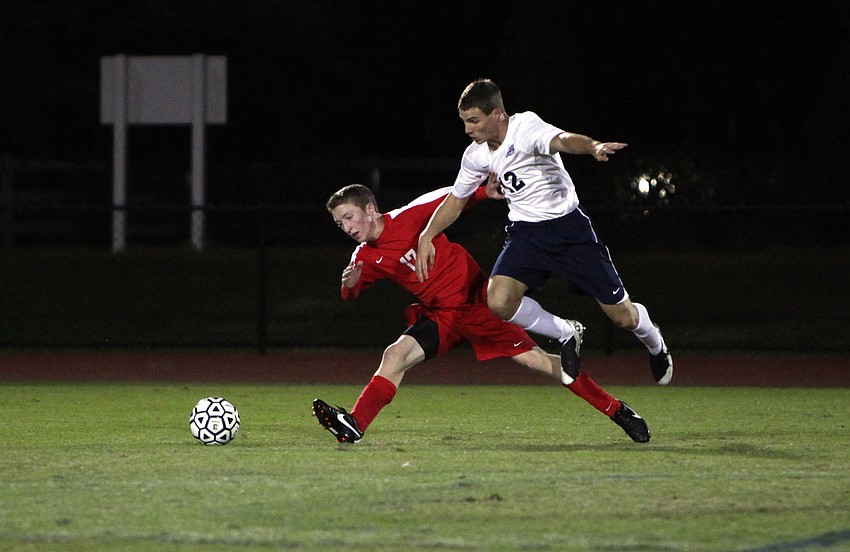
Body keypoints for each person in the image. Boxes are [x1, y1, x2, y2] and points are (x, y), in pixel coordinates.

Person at [313, 183, 651, 444]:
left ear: (369, 209)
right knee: (396, 355)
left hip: (478, 304)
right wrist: (351, 284)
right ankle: (354, 425)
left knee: (540, 363)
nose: (345, 226)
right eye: (338, 222)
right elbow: (350, 292)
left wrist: (483, 191)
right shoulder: (363, 256)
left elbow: (451, 198)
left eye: (348, 216)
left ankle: (617, 410)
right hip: (441, 316)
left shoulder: (409, 217)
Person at [415, 78, 672, 386]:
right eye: (465, 121)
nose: (468, 129)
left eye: (474, 120)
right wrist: (427, 234)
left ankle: (655, 343)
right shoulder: (476, 155)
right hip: (527, 235)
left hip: (570, 231)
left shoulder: (526, 128)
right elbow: (456, 200)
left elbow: (562, 140)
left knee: (624, 318)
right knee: (498, 301)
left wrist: (592, 146)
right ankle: (566, 332)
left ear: (497, 114)